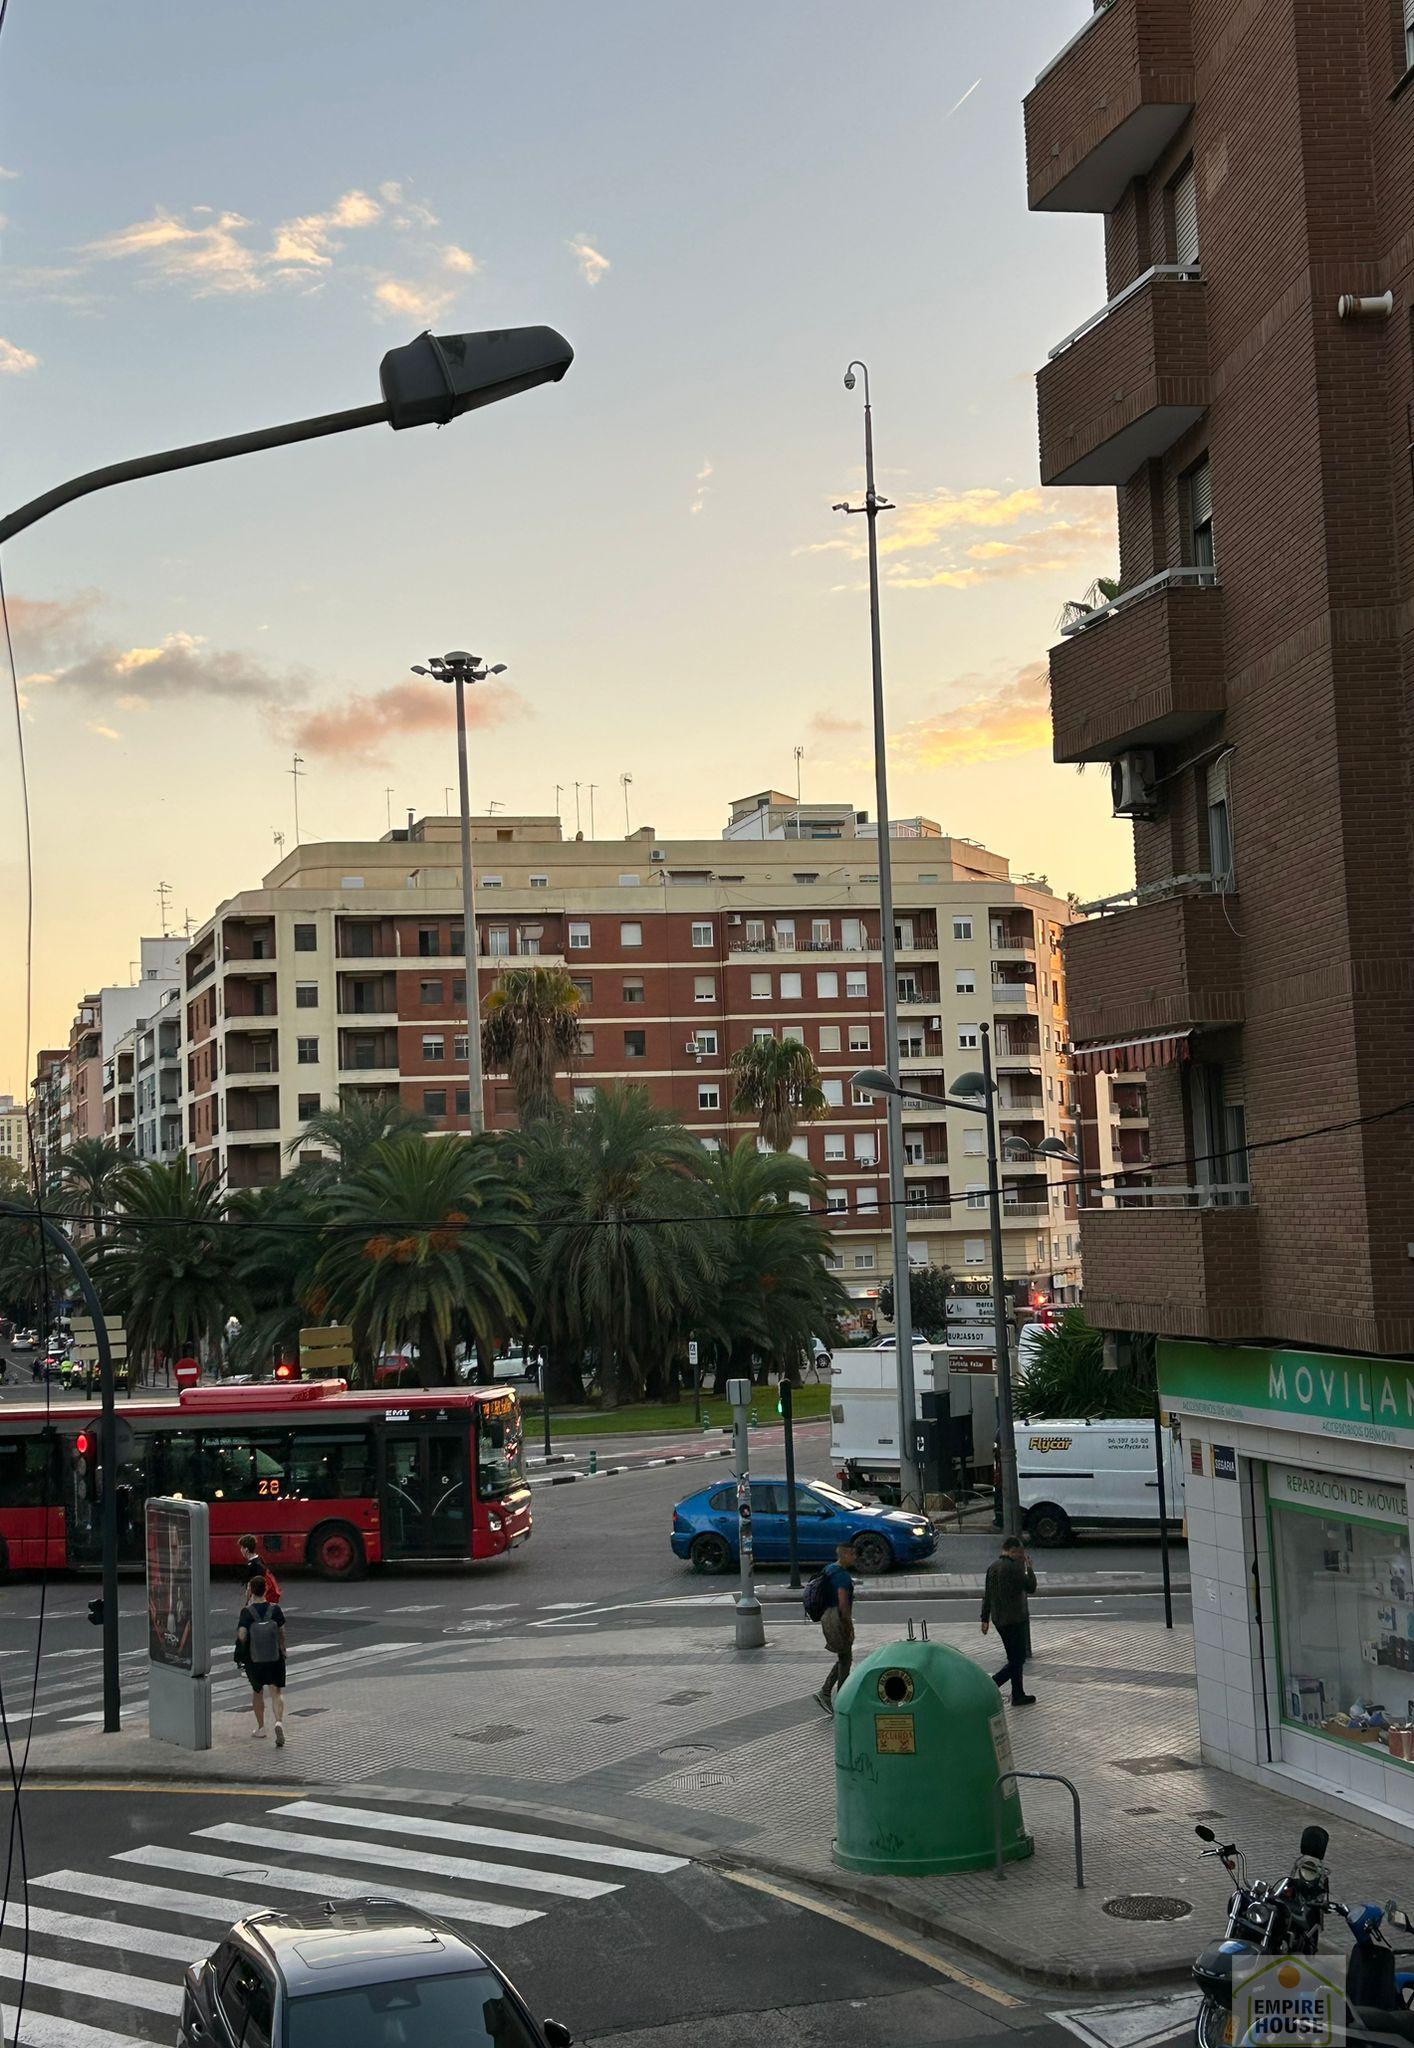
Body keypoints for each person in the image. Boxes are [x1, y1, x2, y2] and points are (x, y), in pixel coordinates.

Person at [981, 1535, 1037, 1706]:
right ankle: (991, 1684)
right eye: (1020, 1553)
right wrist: (1029, 1568)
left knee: (1014, 1658)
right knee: (1018, 1659)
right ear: (1013, 1551)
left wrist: (985, 1618)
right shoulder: (1015, 1567)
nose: (1022, 1556)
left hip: (999, 1620)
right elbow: (1031, 1587)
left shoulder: (993, 1567)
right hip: (1015, 1619)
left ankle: (1018, 1693)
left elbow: (988, 1594)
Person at [236, 1574, 288, 1746]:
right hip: (274, 1656)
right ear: (266, 1589)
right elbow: (282, 1632)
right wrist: (283, 1648)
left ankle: (261, 1728)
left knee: (257, 1692)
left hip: (255, 1659)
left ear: (251, 1591)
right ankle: (278, 1722)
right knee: (276, 1691)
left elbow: (242, 1635)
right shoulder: (275, 1610)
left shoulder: (247, 1612)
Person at [813, 1541, 857, 1717]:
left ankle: (825, 1692)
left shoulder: (829, 1569)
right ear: (844, 1554)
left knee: (844, 1657)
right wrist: (849, 1626)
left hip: (826, 1615)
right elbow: (843, 1603)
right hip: (837, 1618)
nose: (855, 1557)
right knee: (846, 1659)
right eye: (852, 1554)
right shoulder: (842, 1577)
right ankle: (841, 1701)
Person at [238, 1534, 282, 1605]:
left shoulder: (251, 1565)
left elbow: (249, 1586)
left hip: (259, 1598)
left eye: (241, 1547)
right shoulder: (259, 1558)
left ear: (246, 1549)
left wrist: (248, 1601)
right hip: (267, 1596)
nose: (241, 1550)